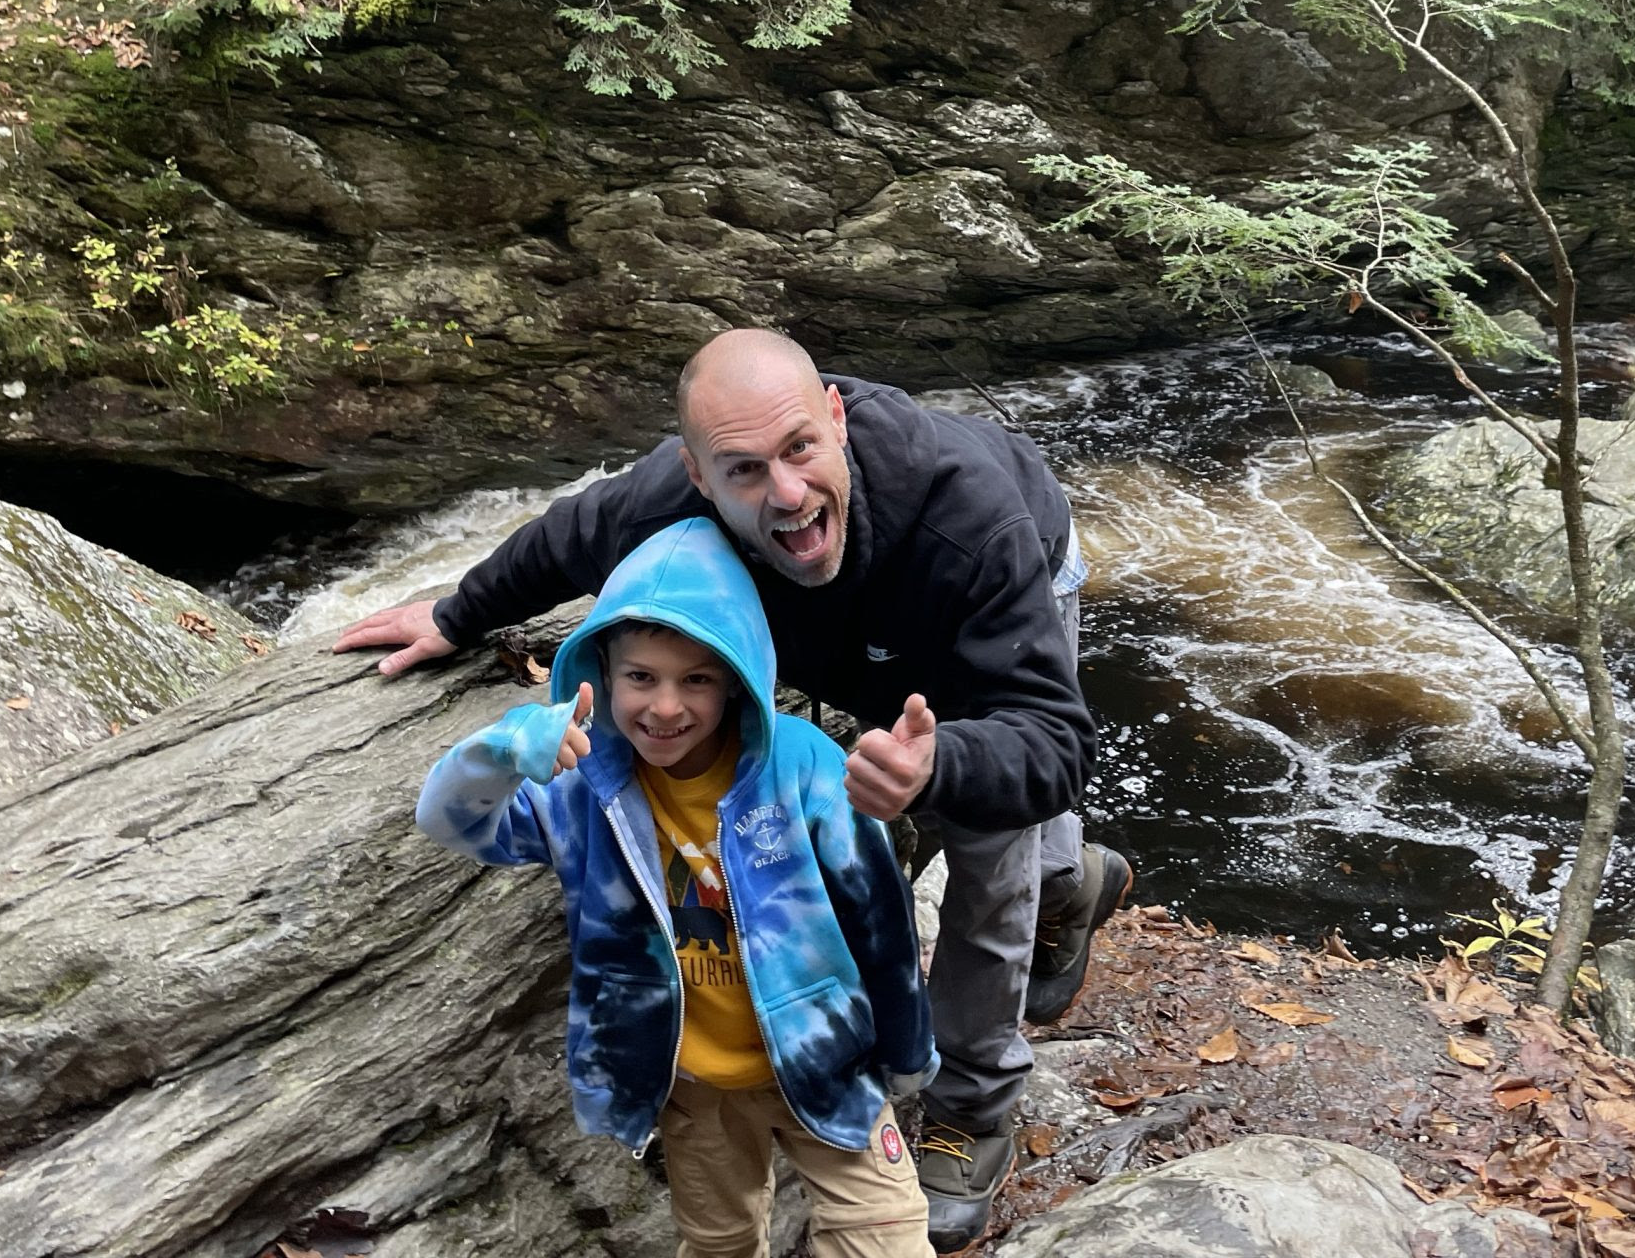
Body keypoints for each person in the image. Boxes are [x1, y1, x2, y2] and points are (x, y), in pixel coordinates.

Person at [340, 327, 1130, 1251]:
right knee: (984, 816)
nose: (786, 493)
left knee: (992, 853)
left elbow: (1056, 738)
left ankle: (974, 1104)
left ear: (835, 419)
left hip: (991, 595)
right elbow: (565, 537)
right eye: (745, 471)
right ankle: (1074, 882)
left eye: (800, 449)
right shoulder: (672, 494)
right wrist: (454, 612)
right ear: (699, 477)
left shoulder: (970, 519)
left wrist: (941, 766)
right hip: (853, 631)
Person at [415, 516, 937, 1258]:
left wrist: (908, 1049)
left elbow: (878, 914)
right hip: (693, 1085)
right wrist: (497, 752)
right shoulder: (580, 787)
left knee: (885, 1238)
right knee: (718, 1242)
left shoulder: (801, 764)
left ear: (736, 682)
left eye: (696, 678)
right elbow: (449, 823)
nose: (665, 707)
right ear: (601, 675)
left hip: (827, 1061)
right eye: (641, 678)